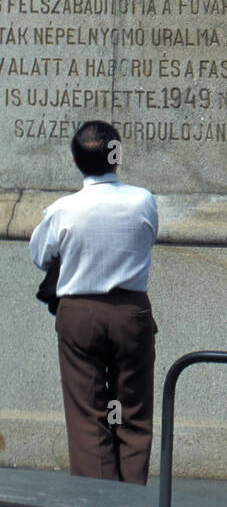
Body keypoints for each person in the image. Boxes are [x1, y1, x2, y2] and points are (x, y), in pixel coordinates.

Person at [29, 120, 158, 484]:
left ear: (74, 159)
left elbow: (40, 256)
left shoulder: (62, 209)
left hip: (80, 312)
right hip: (131, 311)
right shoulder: (143, 200)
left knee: (88, 414)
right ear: (117, 156)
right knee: (132, 410)